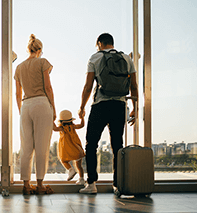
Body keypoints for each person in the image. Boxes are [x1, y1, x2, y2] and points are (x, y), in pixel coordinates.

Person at [78, 33, 138, 194]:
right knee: (117, 146)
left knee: (91, 144)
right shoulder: (126, 58)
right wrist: (135, 107)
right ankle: (118, 185)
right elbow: (134, 85)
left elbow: (88, 86)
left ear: (99, 43)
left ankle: (91, 184)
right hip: (119, 105)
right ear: (112, 43)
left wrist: (82, 107)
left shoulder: (95, 58)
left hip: (100, 105)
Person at [14, 34, 56, 195]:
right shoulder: (42, 63)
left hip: (26, 105)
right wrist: (53, 109)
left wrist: (21, 110)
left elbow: (18, 95)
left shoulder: (19, 67)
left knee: (26, 147)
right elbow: (48, 87)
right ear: (39, 50)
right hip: (42, 104)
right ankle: (39, 185)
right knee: (42, 147)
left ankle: (26, 185)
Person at [53, 110, 85, 185]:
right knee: (79, 165)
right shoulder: (73, 126)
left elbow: (54, 128)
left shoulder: (61, 128)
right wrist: (82, 117)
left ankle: (71, 170)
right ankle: (81, 179)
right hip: (76, 148)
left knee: (63, 161)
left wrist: (52, 119)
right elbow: (81, 125)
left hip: (67, 149)